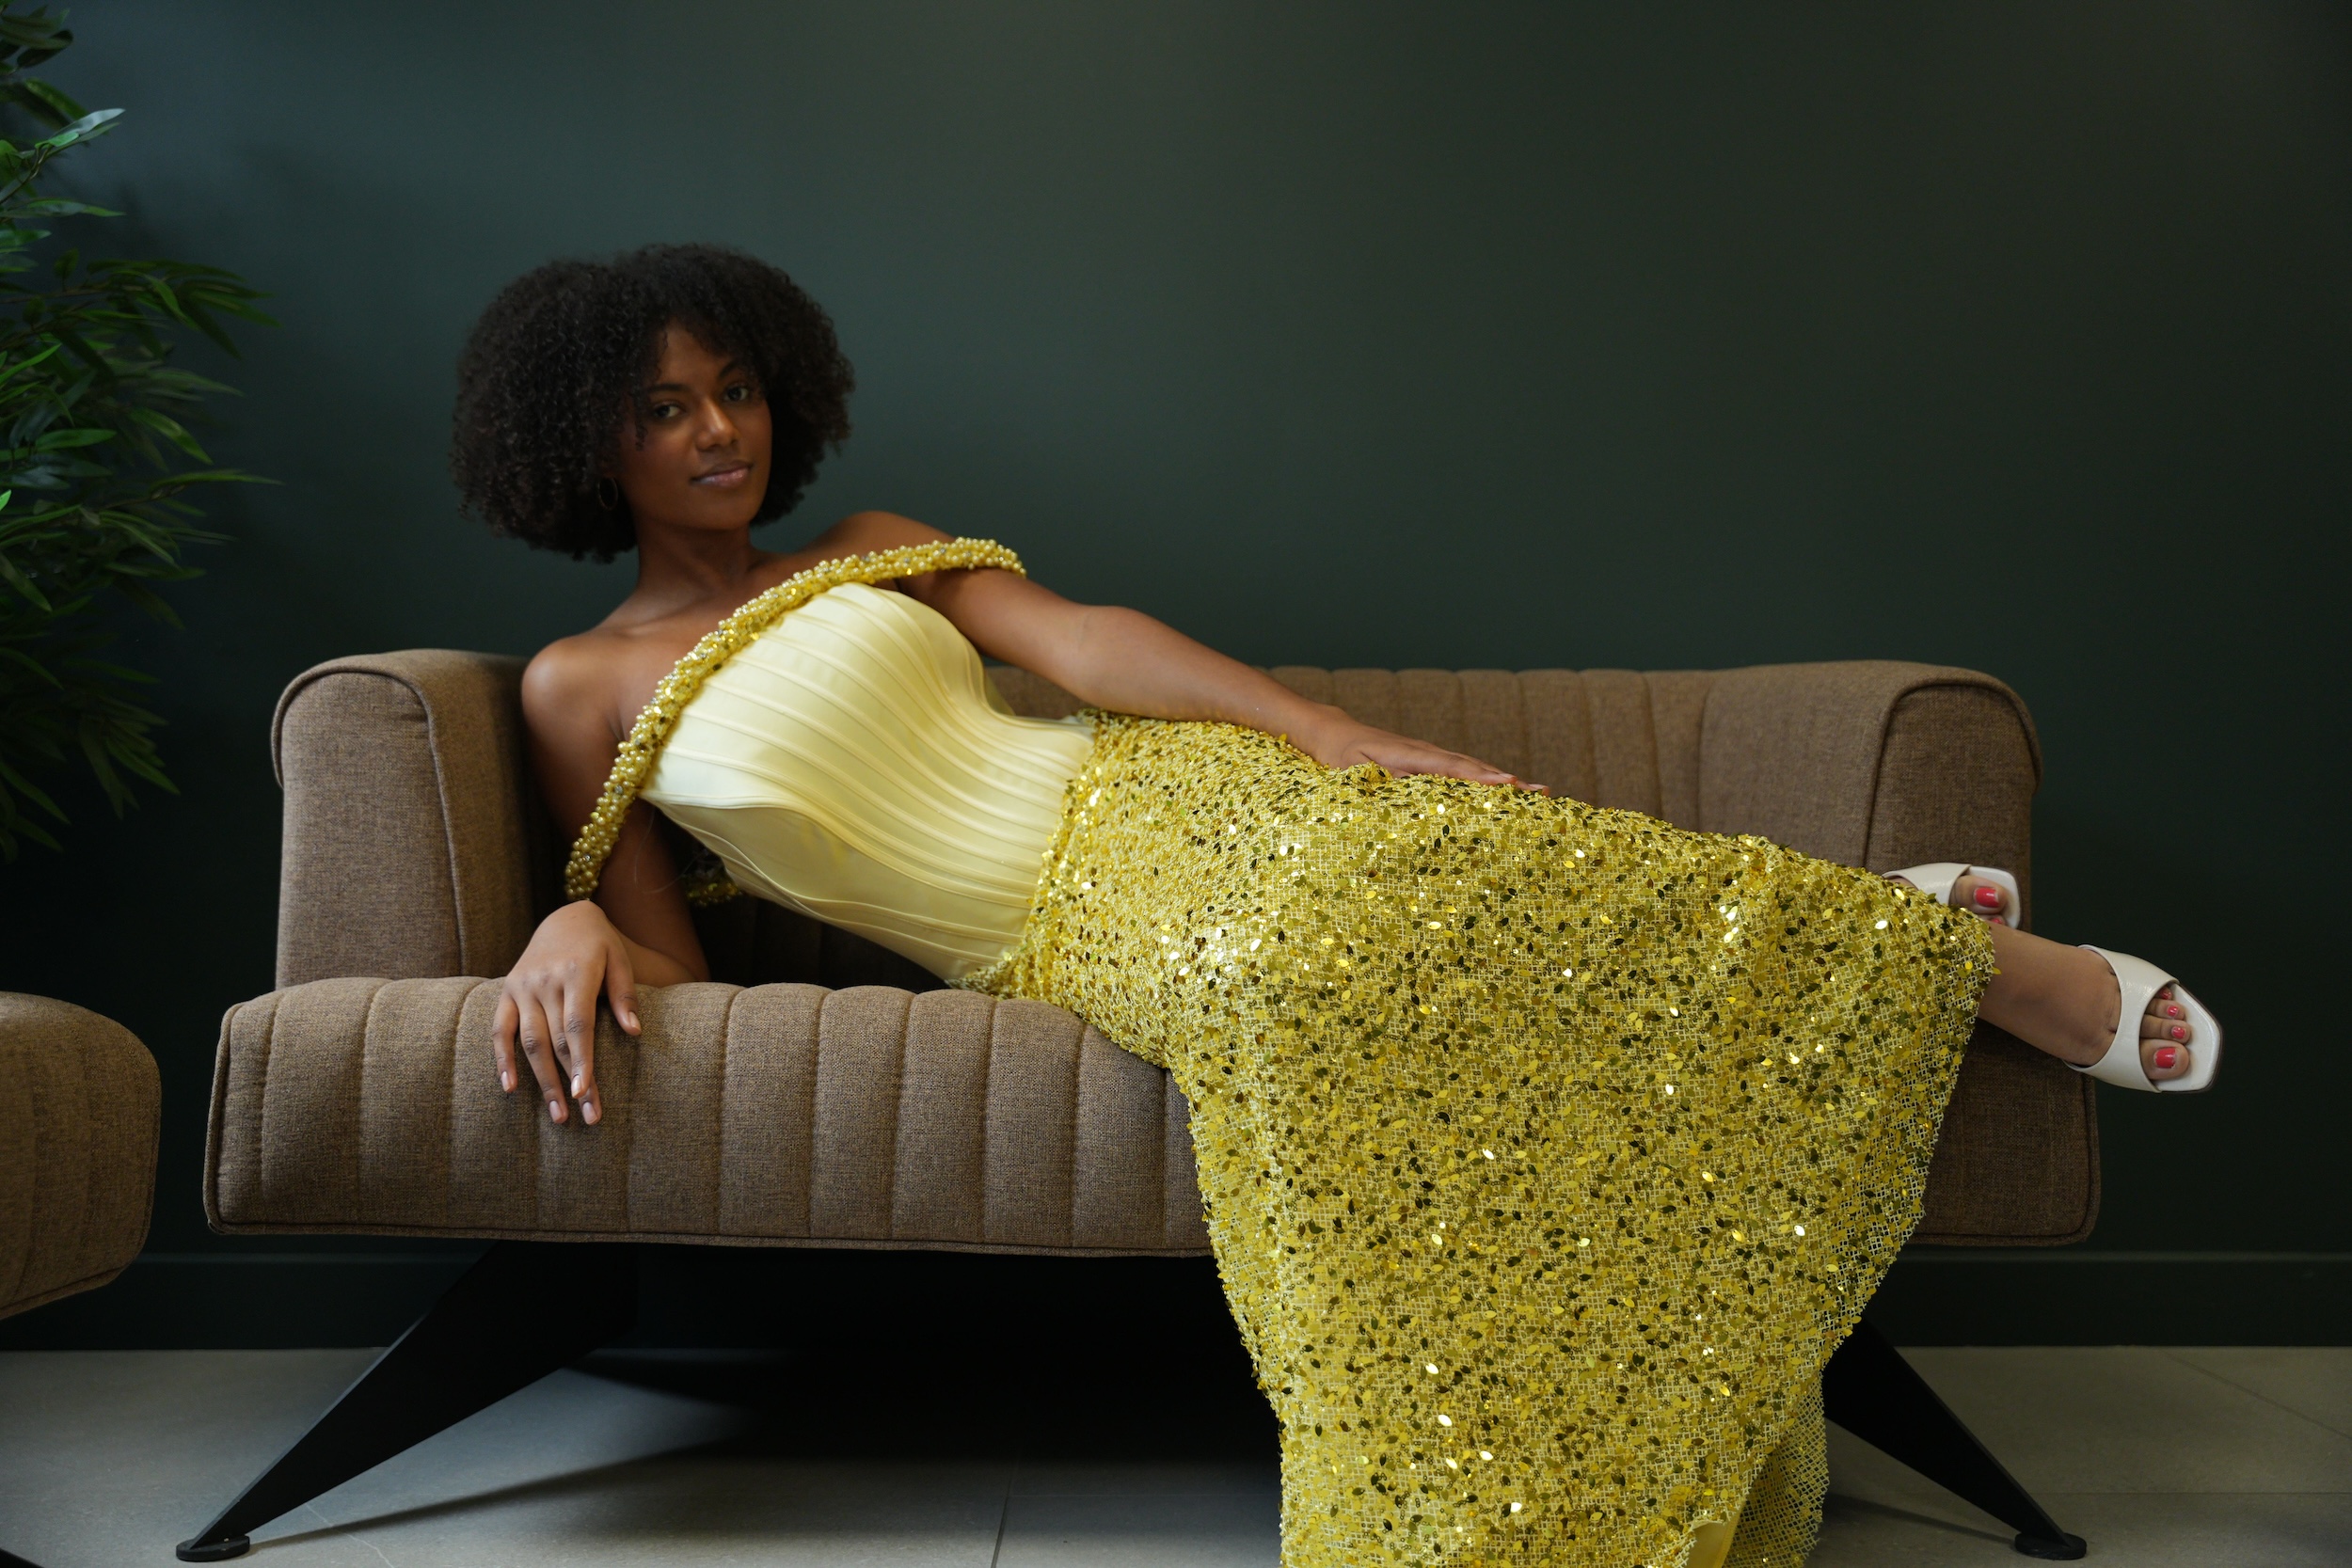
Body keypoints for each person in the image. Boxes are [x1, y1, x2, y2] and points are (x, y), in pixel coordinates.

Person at [453, 244, 2215, 1568]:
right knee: (1298, 979)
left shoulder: (868, 546)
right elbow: (660, 949)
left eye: (736, 389)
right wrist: (568, 920)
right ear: (584, 444)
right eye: (665, 408)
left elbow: (1086, 646)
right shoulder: (573, 688)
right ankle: (1869, 934)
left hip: (1165, 796)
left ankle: (1967, 956)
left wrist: (1324, 731)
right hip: (1050, 932)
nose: (719, 431)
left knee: (1455, 860)